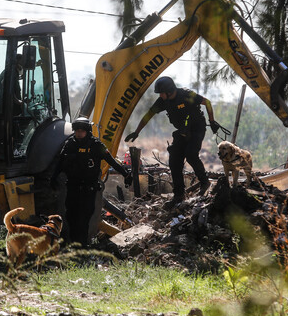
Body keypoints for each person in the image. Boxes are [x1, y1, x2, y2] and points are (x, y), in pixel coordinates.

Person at [125, 76, 222, 205]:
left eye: (161, 93)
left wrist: (212, 121)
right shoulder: (163, 101)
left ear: (169, 91)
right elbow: (149, 115)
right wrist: (136, 132)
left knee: (191, 154)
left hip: (197, 129)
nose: (160, 95)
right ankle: (179, 195)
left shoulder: (186, 94)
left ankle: (205, 182)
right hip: (182, 132)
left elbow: (207, 102)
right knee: (174, 159)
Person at [51, 117, 132, 246]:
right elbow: (60, 162)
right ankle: (74, 245)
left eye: (81, 131)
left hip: (89, 189)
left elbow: (111, 160)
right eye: (77, 130)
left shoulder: (96, 145)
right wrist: (53, 178)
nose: (79, 133)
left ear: (87, 131)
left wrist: (125, 174)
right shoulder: (70, 144)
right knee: (71, 217)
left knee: (84, 219)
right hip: (72, 187)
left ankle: (82, 246)